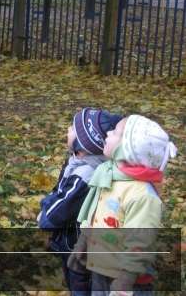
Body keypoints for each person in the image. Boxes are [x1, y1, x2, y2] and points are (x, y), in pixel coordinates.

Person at [72, 115, 177, 294]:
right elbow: (95, 214)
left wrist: (126, 278)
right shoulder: (109, 175)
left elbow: (141, 241)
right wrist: (82, 244)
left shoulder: (142, 196)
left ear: (128, 149)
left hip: (127, 281)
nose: (109, 132)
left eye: (116, 132)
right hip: (101, 269)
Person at [37, 107, 122, 292]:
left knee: (78, 280)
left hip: (75, 242)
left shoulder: (85, 175)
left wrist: (45, 217)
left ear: (83, 145)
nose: (67, 130)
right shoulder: (77, 161)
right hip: (72, 239)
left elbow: (64, 206)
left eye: (72, 129)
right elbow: (59, 189)